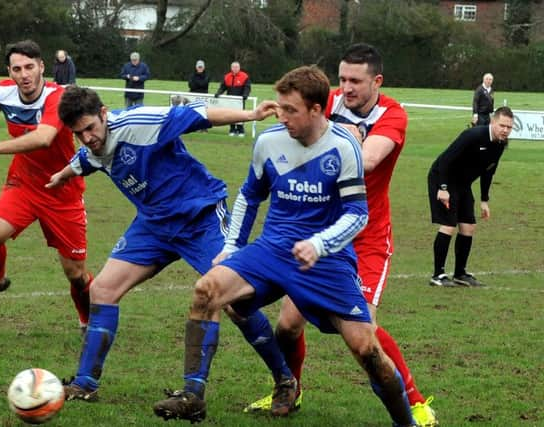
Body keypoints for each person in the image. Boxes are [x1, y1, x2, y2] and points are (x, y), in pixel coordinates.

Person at [153, 65, 417, 427]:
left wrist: (320, 244)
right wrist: (232, 247)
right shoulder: (269, 141)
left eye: (290, 109)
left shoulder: (344, 147)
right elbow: (249, 196)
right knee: (207, 290)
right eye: (279, 107)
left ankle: (406, 422)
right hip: (273, 249)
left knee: (366, 348)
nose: (282, 115)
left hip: (327, 261)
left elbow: (358, 215)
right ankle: (192, 396)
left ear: (316, 110)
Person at [242, 43, 438, 426]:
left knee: (366, 333)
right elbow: (295, 123)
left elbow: (367, 160)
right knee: (287, 326)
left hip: (365, 236)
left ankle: (413, 403)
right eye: (342, 79)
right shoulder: (328, 102)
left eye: (355, 81)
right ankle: (289, 389)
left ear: (376, 81)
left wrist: (342, 136)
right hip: (319, 235)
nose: (345, 88)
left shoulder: (392, 115)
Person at [47, 85, 279, 402]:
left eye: (90, 128)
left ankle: (284, 380)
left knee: (234, 303)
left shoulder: (140, 122)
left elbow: (199, 114)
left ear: (104, 114)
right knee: (102, 290)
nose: (87, 137)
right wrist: (62, 175)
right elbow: (86, 160)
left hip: (200, 217)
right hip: (154, 226)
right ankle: (85, 384)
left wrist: (250, 114)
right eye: (79, 133)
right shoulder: (92, 147)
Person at [0, 40, 93, 332]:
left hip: (63, 190)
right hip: (24, 184)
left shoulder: (57, 97)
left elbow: (44, 138)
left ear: (42, 67)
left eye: (30, 67)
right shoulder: (4, 88)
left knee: (75, 273)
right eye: (17, 69)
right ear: (10, 71)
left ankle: (87, 321)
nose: (24, 75)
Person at [428, 106, 513, 288]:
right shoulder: (473, 135)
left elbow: (489, 172)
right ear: (493, 122)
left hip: (463, 184)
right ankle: (438, 275)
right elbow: (445, 160)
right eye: (502, 126)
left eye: (509, 127)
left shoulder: (500, 144)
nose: (505, 130)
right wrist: (442, 188)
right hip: (443, 178)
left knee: (468, 226)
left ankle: (460, 273)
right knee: (449, 225)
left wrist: (484, 200)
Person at [214, 61, 251, 137]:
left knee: (240, 115)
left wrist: (245, 95)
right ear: (231, 68)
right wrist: (219, 92)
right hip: (230, 100)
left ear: (239, 68)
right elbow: (223, 87)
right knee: (231, 115)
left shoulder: (244, 76)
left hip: (240, 100)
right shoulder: (227, 76)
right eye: (233, 67)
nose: (235, 68)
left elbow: (247, 87)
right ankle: (232, 129)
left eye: (236, 67)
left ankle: (241, 130)